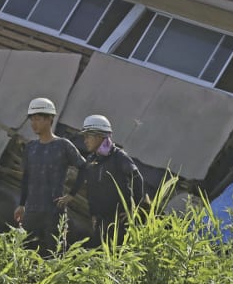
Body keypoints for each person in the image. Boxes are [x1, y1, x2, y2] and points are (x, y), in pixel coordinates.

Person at [14, 97, 86, 256]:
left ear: (49, 119)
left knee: (55, 254)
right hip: (32, 210)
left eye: (38, 119)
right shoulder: (31, 148)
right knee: (24, 253)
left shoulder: (63, 145)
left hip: (54, 212)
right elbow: (26, 177)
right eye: (32, 120)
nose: (34, 124)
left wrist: (71, 195)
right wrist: (21, 204)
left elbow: (84, 167)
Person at [61, 114, 144, 247]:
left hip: (119, 220)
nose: (85, 140)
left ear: (99, 137)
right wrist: (93, 213)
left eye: (88, 136)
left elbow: (137, 178)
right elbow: (92, 190)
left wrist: (133, 209)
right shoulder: (91, 160)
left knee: (116, 255)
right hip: (101, 221)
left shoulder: (119, 157)